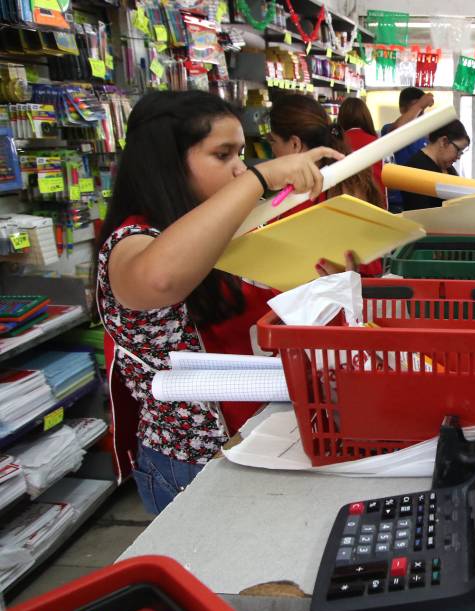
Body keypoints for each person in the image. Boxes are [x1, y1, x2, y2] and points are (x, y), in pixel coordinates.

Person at [95, 90, 343, 513]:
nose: (238, 169)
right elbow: (159, 279)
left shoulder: (227, 229)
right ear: (166, 161)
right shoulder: (132, 241)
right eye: (223, 155)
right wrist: (258, 179)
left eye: (242, 154)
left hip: (261, 437)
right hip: (195, 461)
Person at [266, 93, 383, 209]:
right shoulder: (350, 180)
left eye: (273, 141)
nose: (272, 151)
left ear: (295, 144)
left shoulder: (299, 199)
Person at [381, 87, 435, 212]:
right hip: (398, 203)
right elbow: (397, 129)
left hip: (423, 198)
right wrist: (421, 104)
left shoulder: (426, 134)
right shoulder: (389, 129)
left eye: (422, 110)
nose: (419, 114)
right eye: (415, 109)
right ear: (402, 109)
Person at [400, 119, 469, 211]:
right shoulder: (416, 169)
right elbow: (420, 213)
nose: (458, 157)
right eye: (458, 150)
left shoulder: (447, 167)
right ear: (444, 141)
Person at [337, 96, 385, 206]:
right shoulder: (381, 144)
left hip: (344, 207)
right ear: (366, 117)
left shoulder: (336, 143)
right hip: (377, 207)